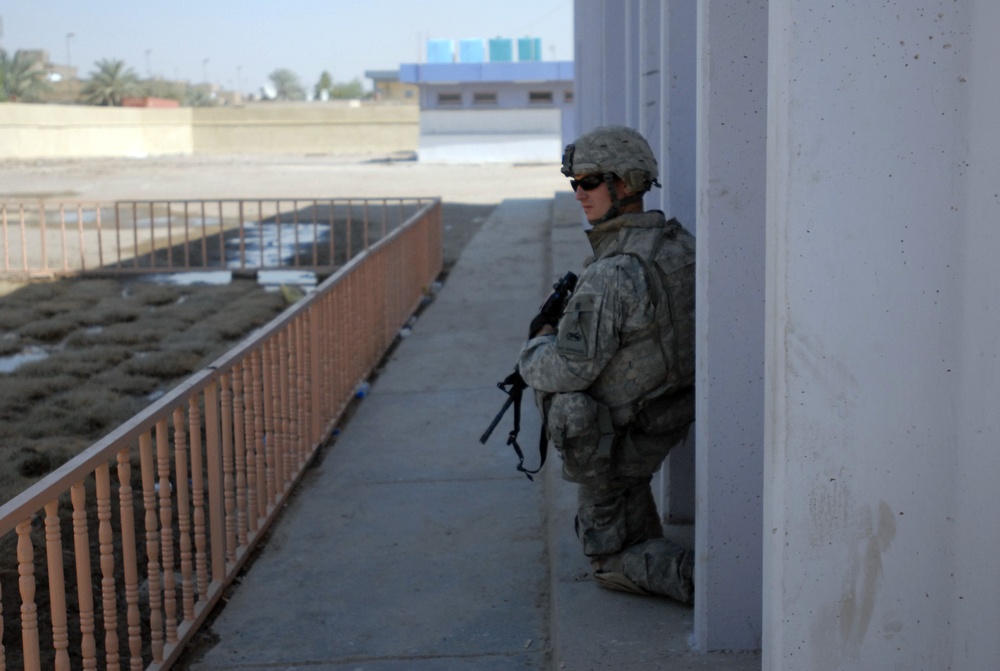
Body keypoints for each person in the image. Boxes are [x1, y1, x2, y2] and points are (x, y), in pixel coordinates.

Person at [517, 126, 696, 602]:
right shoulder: (680, 245)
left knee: (610, 559)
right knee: (618, 519)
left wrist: (534, 350)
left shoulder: (612, 274)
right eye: (574, 181)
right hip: (666, 417)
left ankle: (712, 583)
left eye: (591, 181)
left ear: (628, 183)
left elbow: (569, 370)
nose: (579, 193)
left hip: (624, 438)